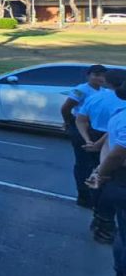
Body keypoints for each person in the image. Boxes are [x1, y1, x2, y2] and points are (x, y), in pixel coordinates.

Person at [84, 88, 126, 276]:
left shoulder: (119, 115)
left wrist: (100, 172)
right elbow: (118, 153)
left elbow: (111, 147)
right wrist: (101, 173)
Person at [75, 69, 126, 243]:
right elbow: (117, 152)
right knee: (109, 189)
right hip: (116, 158)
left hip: (100, 139)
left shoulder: (96, 99)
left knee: (95, 181)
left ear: (106, 81)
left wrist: (90, 142)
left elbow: (81, 119)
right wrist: (103, 171)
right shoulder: (121, 112)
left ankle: (100, 221)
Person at [62, 64, 108, 207]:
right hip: (81, 126)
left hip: (95, 129)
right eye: (96, 75)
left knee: (98, 163)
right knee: (83, 164)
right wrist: (70, 123)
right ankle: (83, 196)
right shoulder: (81, 90)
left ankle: (95, 193)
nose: (99, 78)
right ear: (88, 75)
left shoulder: (104, 90)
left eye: (102, 75)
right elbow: (66, 108)